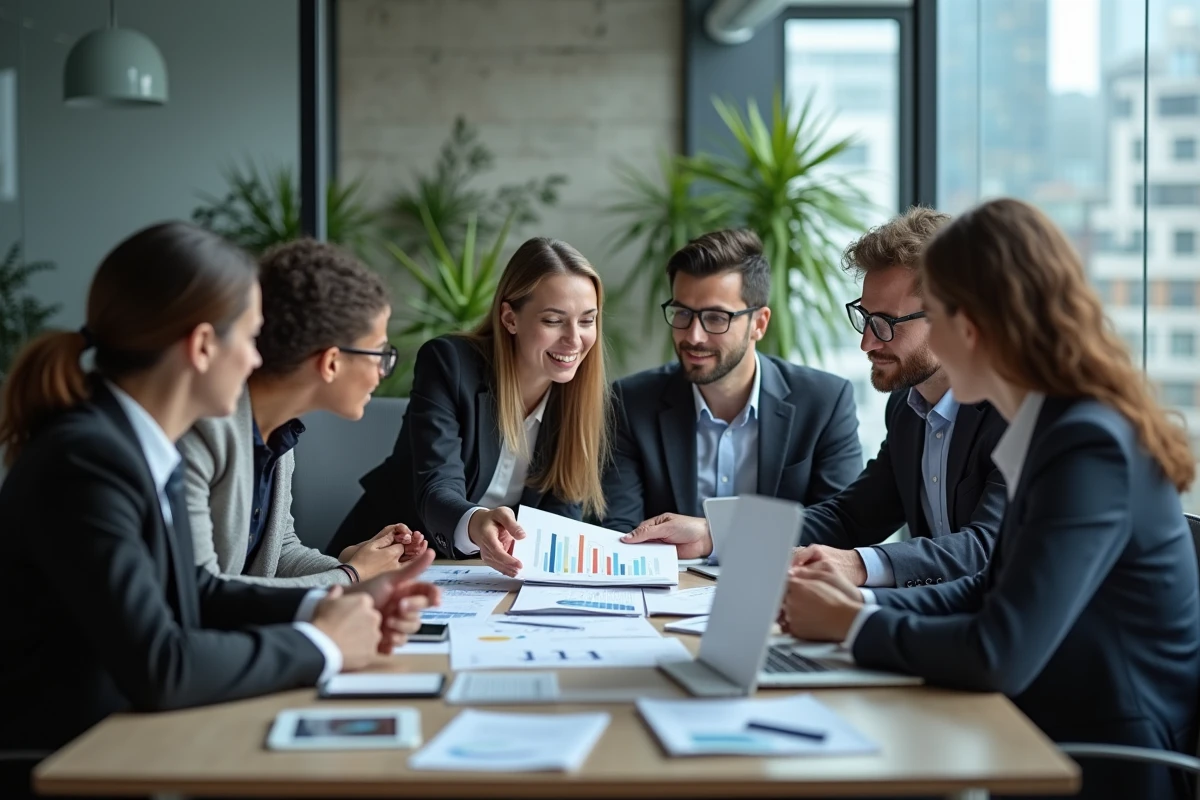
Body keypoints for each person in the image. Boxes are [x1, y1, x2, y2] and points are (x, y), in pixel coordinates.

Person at [0, 222, 440, 798]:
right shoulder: (88, 460)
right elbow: (163, 665)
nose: (259, 358)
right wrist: (326, 643)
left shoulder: (132, 445)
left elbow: (197, 593)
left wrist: (336, 605)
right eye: (252, 338)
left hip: (123, 740)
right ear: (203, 346)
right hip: (69, 760)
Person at [784, 198, 1200, 800]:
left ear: (973, 326)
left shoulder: (1087, 445)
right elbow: (990, 588)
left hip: (1100, 757)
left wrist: (853, 623)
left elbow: (1000, 650)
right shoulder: (1053, 426)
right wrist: (853, 606)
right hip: (1036, 728)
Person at [328, 238, 610, 576]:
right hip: (384, 562)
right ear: (510, 318)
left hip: (488, 578)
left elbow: (560, 515)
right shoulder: (450, 363)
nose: (574, 339)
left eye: (587, 321)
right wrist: (477, 523)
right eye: (553, 320)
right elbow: (437, 486)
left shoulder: (578, 394)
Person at [178, 239, 427, 588]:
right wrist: (351, 577)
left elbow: (279, 554)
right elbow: (204, 592)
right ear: (331, 362)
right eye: (379, 353)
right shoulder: (202, 431)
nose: (382, 372)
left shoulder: (280, 433)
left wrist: (358, 569)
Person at [602, 229, 863, 558]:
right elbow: (620, 532)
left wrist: (718, 537)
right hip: (670, 587)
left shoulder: (824, 402)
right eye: (682, 313)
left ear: (759, 323)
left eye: (715, 317)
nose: (693, 336)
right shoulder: (630, 402)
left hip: (779, 583)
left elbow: (837, 529)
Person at [794, 207, 1008, 589]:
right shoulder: (906, 408)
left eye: (886, 323)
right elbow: (851, 517)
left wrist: (858, 566)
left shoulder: (1011, 410)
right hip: (934, 616)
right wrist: (717, 534)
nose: (867, 343)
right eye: (865, 318)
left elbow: (986, 548)